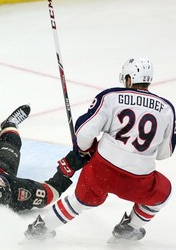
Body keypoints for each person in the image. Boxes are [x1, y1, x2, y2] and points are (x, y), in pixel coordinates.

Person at [24, 58, 176, 242]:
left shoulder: (111, 97)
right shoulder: (167, 109)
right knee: (162, 192)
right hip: (138, 179)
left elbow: (85, 133)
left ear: (129, 78)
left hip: (102, 170)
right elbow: (164, 154)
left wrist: (84, 150)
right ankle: (128, 229)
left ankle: (41, 228)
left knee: (79, 201)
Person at [0, 80, 87, 212]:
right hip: (3, 167)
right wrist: (69, 167)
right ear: (8, 190)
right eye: (1, 183)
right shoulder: (20, 193)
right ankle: (10, 124)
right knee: (12, 140)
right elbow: (52, 192)